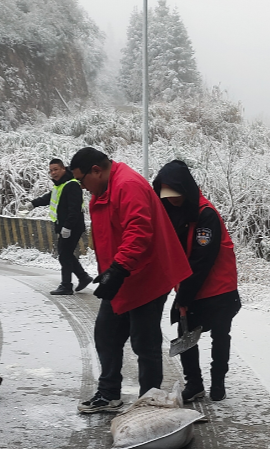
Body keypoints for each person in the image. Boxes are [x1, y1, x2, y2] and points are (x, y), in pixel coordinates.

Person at [69, 147, 191, 413]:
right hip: (124, 275)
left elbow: (139, 232)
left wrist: (118, 269)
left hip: (146, 275)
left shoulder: (127, 185)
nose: (82, 187)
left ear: (96, 171)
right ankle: (109, 394)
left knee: (143, 340)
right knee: (106, 333)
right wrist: (112, 270)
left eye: (82, 180)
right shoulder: (104, 189)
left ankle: (149, 400)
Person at [152, 160, 241, 403]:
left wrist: (183, 297)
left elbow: (202, 261)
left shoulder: (206, 215)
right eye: (167, 195)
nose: (172, 200)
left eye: (176, 194)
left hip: (219, 288)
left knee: (220, 335)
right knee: (185, 335)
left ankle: (218, 383)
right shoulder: (173, 213)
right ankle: (195, 384)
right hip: (191, 286)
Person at [25, 158, 92, 295]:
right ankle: (83, 277)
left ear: (63, 169)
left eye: (55, 169)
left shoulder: (72, 185)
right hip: (64, 226)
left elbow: (74, 210)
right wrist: (32, 204)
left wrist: (67, 227)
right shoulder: (60, 185)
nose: (53, 173)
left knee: (64, 255)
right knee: (65, 254)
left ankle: (67, 285)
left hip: (72, 226)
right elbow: (48, 198)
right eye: (50, 171)